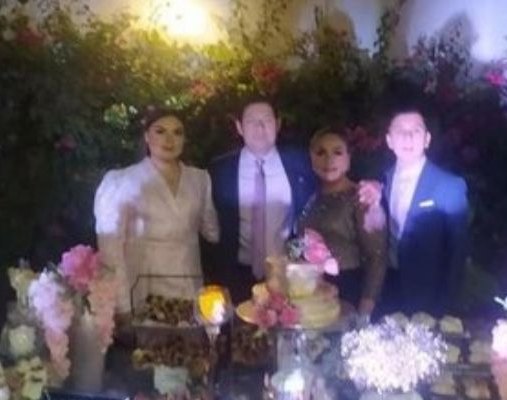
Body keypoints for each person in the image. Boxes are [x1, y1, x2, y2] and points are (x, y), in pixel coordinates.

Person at [94, 107, 220, 317]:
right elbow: (111, 251)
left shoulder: (199, 179)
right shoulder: (122, 181)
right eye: (160, 131)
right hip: (145, 286)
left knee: (191, 335)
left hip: (190, 283)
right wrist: (122, 305)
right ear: (146, 136)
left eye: (177, 132)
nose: (169, 140)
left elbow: (212, 231)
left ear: (184, 139)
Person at [208, 100, 317, 303]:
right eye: (251, 121)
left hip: (288, 273)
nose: (260, 128)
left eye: (266, 120)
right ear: (239, 127)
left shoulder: (301, 164)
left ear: (278, 124)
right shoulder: (220, 170)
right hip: (236, 274)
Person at [377, 107, 469, 316]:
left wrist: (445, 306)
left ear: (427, 139)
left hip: (427, 297)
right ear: (389, 140)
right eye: (400, 130)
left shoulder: (449, 186)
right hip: (385, 293)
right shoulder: (380, 180)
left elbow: (457, 253)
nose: (408, 137)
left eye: (416, 131)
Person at [298, 130, 387, 317]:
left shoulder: (363, 197)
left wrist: (365, 310)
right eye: (321, 153)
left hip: (348, 291)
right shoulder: (312, 196)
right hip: (311, 294)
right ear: (312, 158)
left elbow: (377, 257)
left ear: (348, 158)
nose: (329, 160)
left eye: (337, 152)